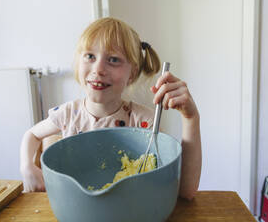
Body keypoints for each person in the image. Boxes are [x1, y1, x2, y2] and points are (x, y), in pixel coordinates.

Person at [20, 17, 202, 200]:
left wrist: (191, 118)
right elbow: (32, 135)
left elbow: (185, 191)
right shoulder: (67, 114)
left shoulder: (144, 122)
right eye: (90, 56)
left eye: (113, 60)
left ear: (132, 73)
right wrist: (27, 166)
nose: (98, 69)